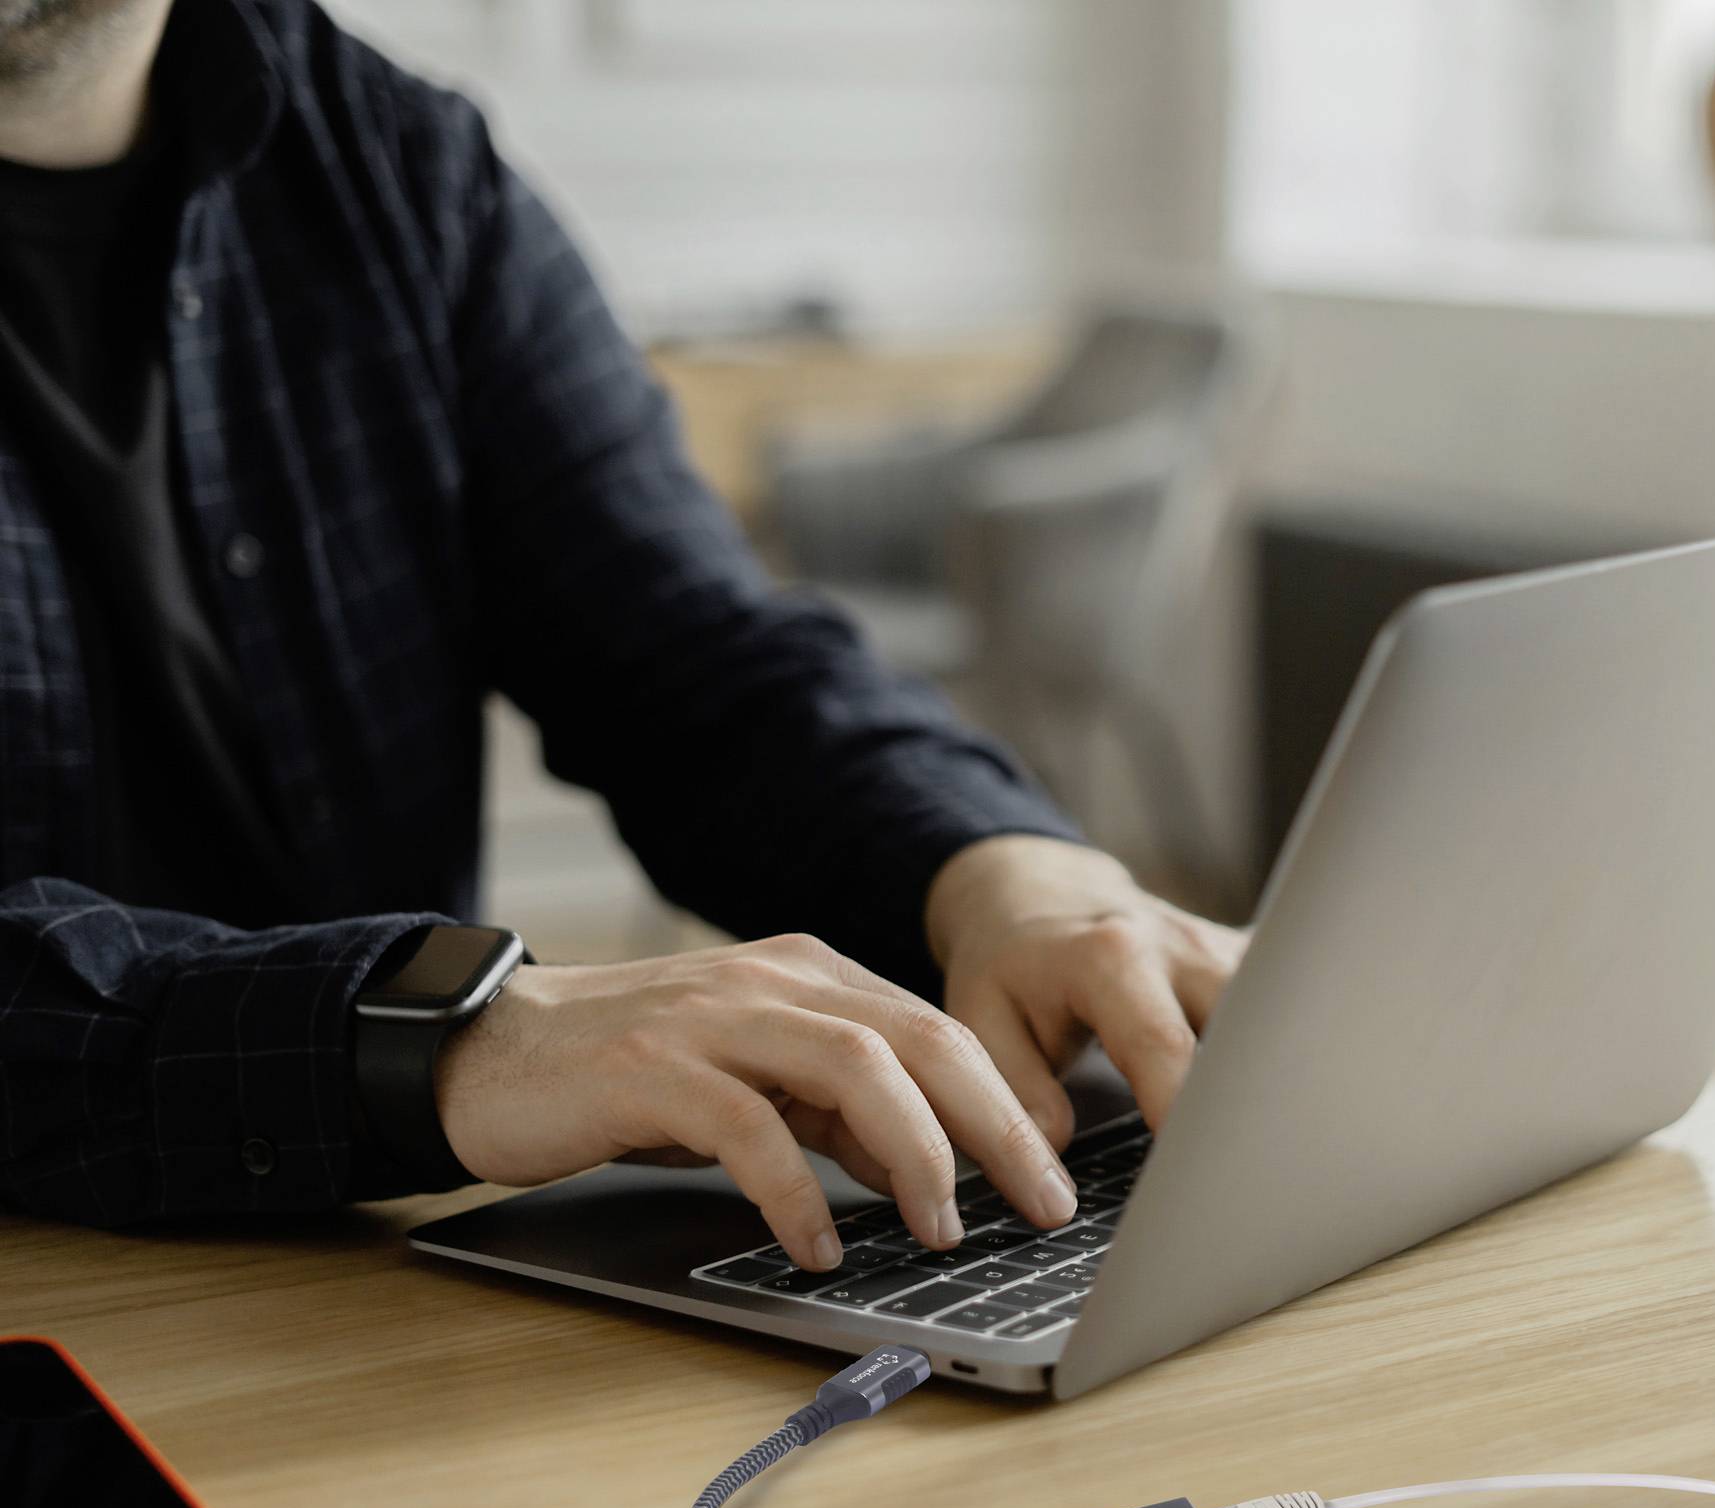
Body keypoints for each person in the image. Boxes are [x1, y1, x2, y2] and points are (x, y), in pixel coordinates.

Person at [0, 0, 1246, 1275]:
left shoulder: (401, 169)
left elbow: (693, 660)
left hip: (365, 1271)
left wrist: (997, 872)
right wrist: (443, 1036)